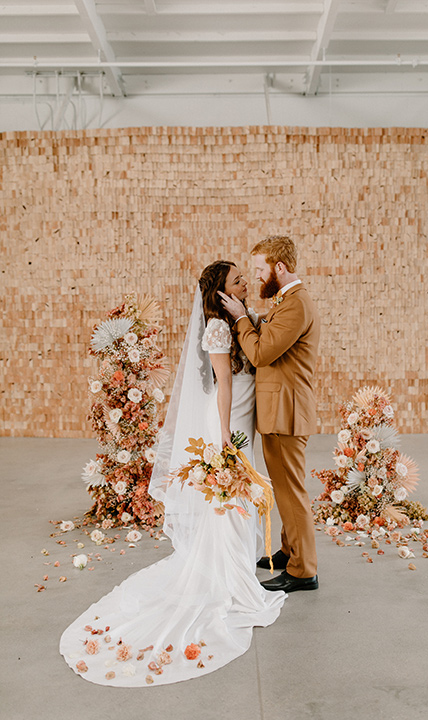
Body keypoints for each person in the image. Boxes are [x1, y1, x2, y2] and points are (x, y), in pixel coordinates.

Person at [59, 260, 285, 687]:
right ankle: (230, 573)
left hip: (243, 416)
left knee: (237, 492)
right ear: (219, 291)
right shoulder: (218, 329)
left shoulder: (242, 320)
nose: (244, 282)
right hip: (229, 418)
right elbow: (223, 384)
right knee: (230, 491)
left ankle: (236, 561)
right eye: (237, 278)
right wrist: (224, 436)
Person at [219, 236, 320, 593]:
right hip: (280, 409)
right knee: (285, 488)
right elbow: (273, 333)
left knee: (291, 492)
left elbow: (262, 354)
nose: (257, 277)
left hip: (286, 412)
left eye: (261, 269)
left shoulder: (295, 304)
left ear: (279, 267)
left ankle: (303, 570)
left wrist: (241, 319)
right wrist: (254, 318)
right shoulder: (287, 301)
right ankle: (289, 552)